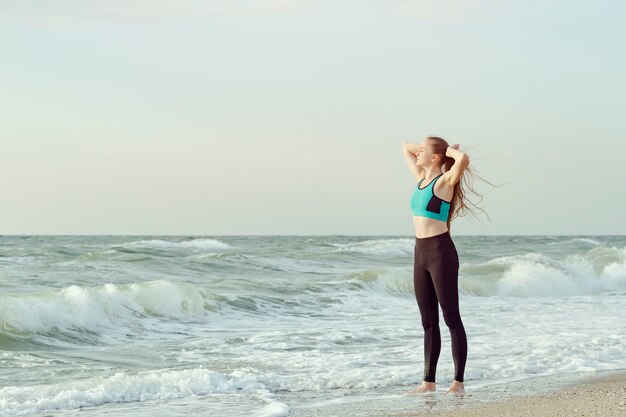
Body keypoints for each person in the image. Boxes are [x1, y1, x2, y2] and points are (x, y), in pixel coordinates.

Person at [402, 136, 474, 396]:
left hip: (440, 253)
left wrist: (450, 154)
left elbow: (463, 160)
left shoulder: (443, 182)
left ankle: (458, 383)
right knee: (428, 321)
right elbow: (404, 147)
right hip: (420, 253)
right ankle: (428, 382)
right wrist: (437, 151)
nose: (417, 152)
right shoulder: (421, 179)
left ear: (434, 158)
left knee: (451, 318)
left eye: (423, 150)